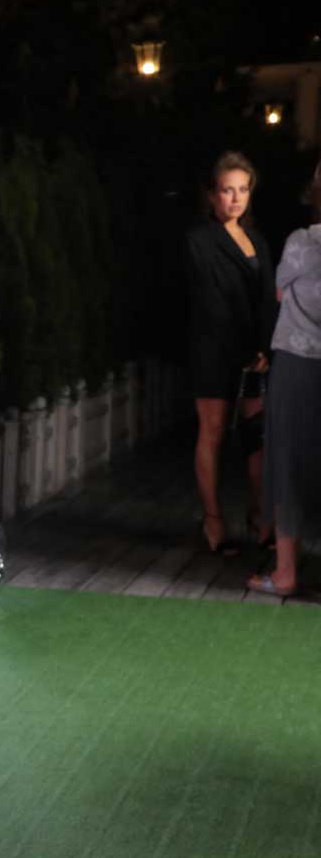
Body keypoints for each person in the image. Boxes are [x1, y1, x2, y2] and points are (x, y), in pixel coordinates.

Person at [183, 151, 278, 553]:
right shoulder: (198, 241)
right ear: (212, 195)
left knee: (258, 437)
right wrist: (243, 345)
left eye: (243, 190)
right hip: (213, 350)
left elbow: (268, 298)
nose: (236, 198)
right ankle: (213, 522)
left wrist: (265, 346)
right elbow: (208, 301)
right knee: (214, 433)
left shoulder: (257, 240)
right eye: (227, 190)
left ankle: (260, 518)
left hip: (255, 352)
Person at [247, 160, 321, 596]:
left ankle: (287, 572)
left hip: (297, 361)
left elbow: (279, 292)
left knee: (288, 459)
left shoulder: (299, 243)